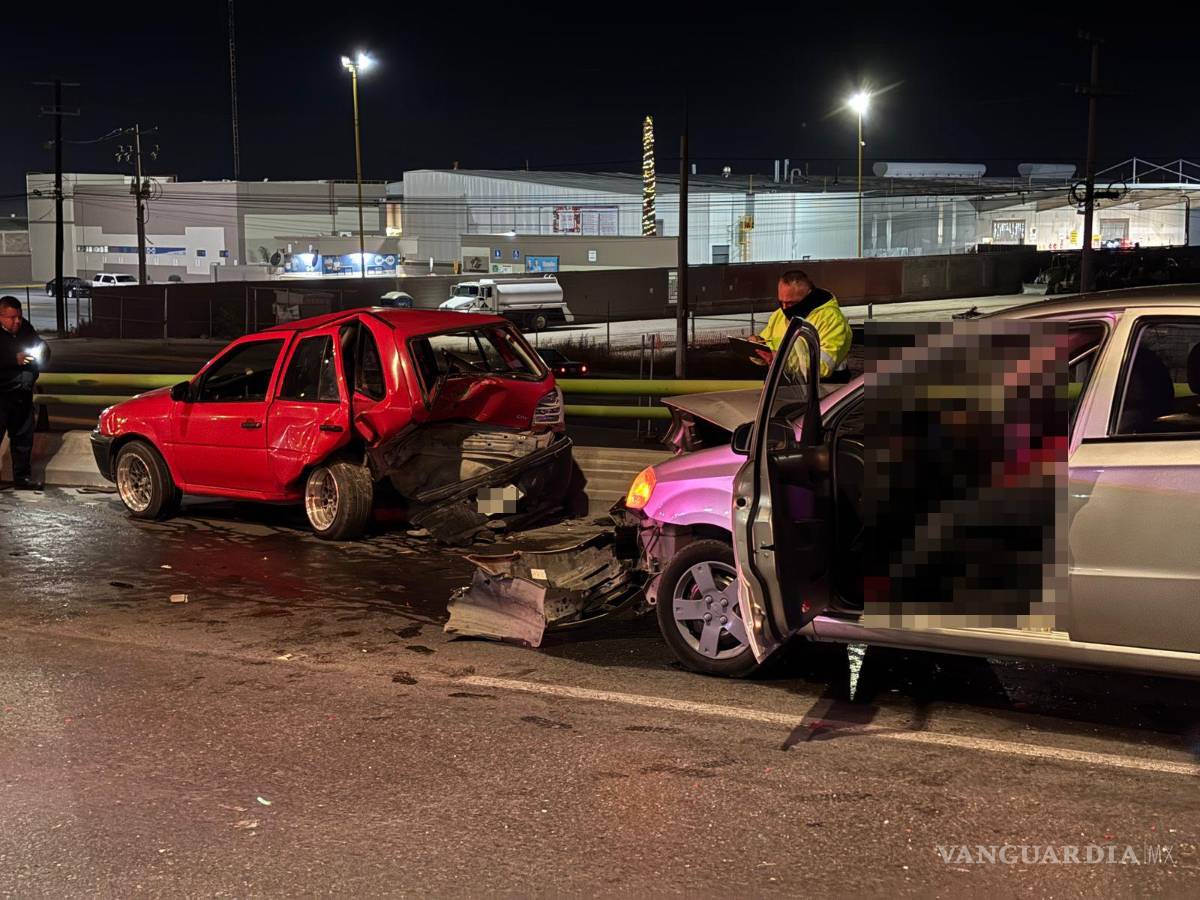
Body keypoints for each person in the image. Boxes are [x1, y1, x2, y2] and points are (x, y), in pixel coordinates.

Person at [749, 270, 852, 381]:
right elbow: (767, 347)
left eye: (790, 303)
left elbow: (823, 367)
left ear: (809, 295)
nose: (784, 308)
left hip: (824, 388)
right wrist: (756, 347)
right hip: (783, 386)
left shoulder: (832, 320)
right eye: (781, 302)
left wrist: (779, 360)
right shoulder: (779, 315)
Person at [0, 296, 50, 489]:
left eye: (19, 317)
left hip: (22, 394)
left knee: (23, 438)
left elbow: (38, 346)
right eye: (12, 318)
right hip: (2, 395)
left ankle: (22, 478)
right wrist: (14, 359)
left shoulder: (26, 328)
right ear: (1, 316)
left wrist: (43, 351)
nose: (17, 321)